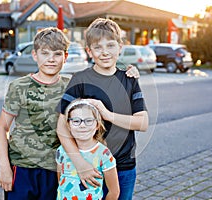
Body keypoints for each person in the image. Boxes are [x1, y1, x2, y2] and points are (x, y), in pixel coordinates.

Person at [56, 18, 149, 200]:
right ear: (89, 51)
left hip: (123, 166)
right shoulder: (80, 79)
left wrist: (106, 114)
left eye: (111, 45)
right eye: (98, 47)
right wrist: (80, 163)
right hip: (87, 165)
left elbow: (143, 123)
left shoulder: (129, 79)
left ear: (120, 47)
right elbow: (61, 127)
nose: (105, 52)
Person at [0, 27, 71, 199]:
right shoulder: (19, 86)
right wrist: (4, 167)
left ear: (65, 57)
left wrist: (129, 73)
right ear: (35, 55)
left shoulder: (71, 86)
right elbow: (1, 128)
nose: (51, 59)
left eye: (57, 54)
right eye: (45, 53)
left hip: (56, 170)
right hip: (22, 169)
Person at [56, 99, 120, 200]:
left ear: (97, 125)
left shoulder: (104, 154)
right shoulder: (62, 151)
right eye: (76, 121)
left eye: (89, 121)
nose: (82, 125)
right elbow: (61, 180)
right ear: (68, 125)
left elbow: (114, 191)